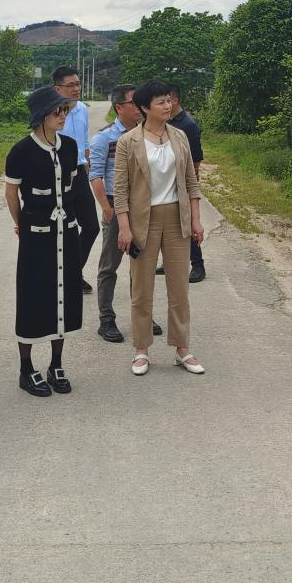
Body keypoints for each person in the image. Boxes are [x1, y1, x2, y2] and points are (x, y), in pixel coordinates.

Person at [114, 79, 206, 377]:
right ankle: (141, 349)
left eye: (169, 100)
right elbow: (121, 189)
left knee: (179, 287)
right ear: (144, 107)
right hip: (144, 220)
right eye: (161, 102)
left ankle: (182, 348)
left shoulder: (180, 136)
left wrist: (196, 219)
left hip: (176, 218)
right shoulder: (129, 141)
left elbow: (191, 182)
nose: (168, 105)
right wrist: (124, 228)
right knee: (142, 289)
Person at [3, 86, 86, 396]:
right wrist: (21, 224)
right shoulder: (21, 151)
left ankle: (56, 364)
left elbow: (71, 186)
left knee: (64, 293)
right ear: (41, 115)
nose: (63, 116)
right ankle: (26, 368)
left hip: (67, 231)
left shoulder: (70, 147)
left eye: (65, 110)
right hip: (36, 234)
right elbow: (12, 193)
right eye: (57, 111)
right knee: (33, 295)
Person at [88, 85, 162, 343]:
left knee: (142, 266)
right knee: (109, 265)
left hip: (142, 208)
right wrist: (107, 208)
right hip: (115, 206)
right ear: (119, 107)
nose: (139, 107)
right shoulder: (104, 138)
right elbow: (95, 175)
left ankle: (142, 315)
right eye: (133, 103)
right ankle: (106, 318)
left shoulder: (147, 135)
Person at [53, 66, 99, 295]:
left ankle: (71, 272)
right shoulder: (51, 112)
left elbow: (85, 140)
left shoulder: (82, 109)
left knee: (91, 226)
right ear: (57, 88)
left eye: (78, 84)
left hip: (79, 173)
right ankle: (62, 277)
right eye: (70, 85)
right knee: (64, 229)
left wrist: (87, 163)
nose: (76, 89)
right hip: (57, 175)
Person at [166, 84, 207, 283]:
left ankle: (198, 265)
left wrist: (191, 182)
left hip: (183, 182)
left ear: (175, 101)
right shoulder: (167, 121)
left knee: (189, 223)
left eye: (167, 100)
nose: (165, 105)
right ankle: (168, 262)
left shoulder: (188, 125)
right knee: (169, 223)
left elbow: (196, 158)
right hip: (166, 180)